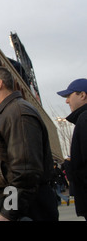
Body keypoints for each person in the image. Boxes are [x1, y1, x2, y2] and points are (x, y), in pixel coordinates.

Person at [0, 66, 58, 221]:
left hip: (27, 208)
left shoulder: (18, 113)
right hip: (19, 205)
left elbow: (25, 172)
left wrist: (8, 212)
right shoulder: (8, 113)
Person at [57, 78, 87, 220]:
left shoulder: (85, 119)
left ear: (82, 95)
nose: (67, 101)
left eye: (69, 96)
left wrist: (70, 166)